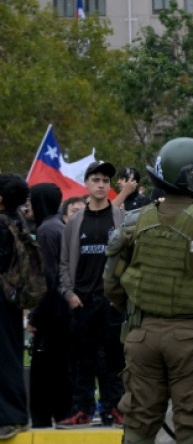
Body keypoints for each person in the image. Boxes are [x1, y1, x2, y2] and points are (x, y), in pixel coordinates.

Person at [102, 138, 193, 443]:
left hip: (141, 335)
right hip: (192, 339)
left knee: (138, 425)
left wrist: (137, 315)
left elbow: (112, 284)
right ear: (187, 177)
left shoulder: (134, 222)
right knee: (191, 425)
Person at [57, 161, 126, 428]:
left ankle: (115, 408)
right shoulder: (75, 221)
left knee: (113, 359)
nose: (101, 185)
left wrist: (121, 294)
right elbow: (64, 262)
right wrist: (69, 293)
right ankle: (82, 411)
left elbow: (131, 259)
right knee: (82, 360)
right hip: (82, 301)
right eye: (96, 180)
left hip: (111, 301)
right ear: (86, 183)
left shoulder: (120, 218)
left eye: (105, 181)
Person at [25, 183, 72, 428]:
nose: (27, 207)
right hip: (64, 311)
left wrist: (35, 316)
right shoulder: (59, 226)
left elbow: (48, 278)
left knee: (42, 376)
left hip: (52, 315)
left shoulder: (45, 231)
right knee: (60, 372)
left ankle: (43, 423)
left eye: (31, 201)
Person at [0, 174, 31, 440]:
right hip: (11, 299)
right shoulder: (17, 220)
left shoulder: (2, 224)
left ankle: (10, 419)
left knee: (5, 359)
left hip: (2, 299)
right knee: (10, 355)